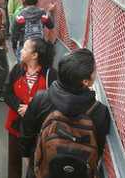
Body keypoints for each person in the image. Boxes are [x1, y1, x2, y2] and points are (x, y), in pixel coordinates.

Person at [21, 49, 111, 177]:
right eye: (94, 70)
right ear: (86, 81)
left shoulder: (41, 99)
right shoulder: (99, 112)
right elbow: (99, 150)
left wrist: (32, 165)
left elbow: (27, 137)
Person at [4, 38, 56, 178]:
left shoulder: (50, 75)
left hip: (38, 130)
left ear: (35, 55)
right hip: (15, 125)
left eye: (25, 48)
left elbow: (53, 101)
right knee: (14, 161)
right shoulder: (17, 69)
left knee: (35, 163)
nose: (21, 50)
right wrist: (19, 106)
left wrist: (31, 110)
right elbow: (7, 92)